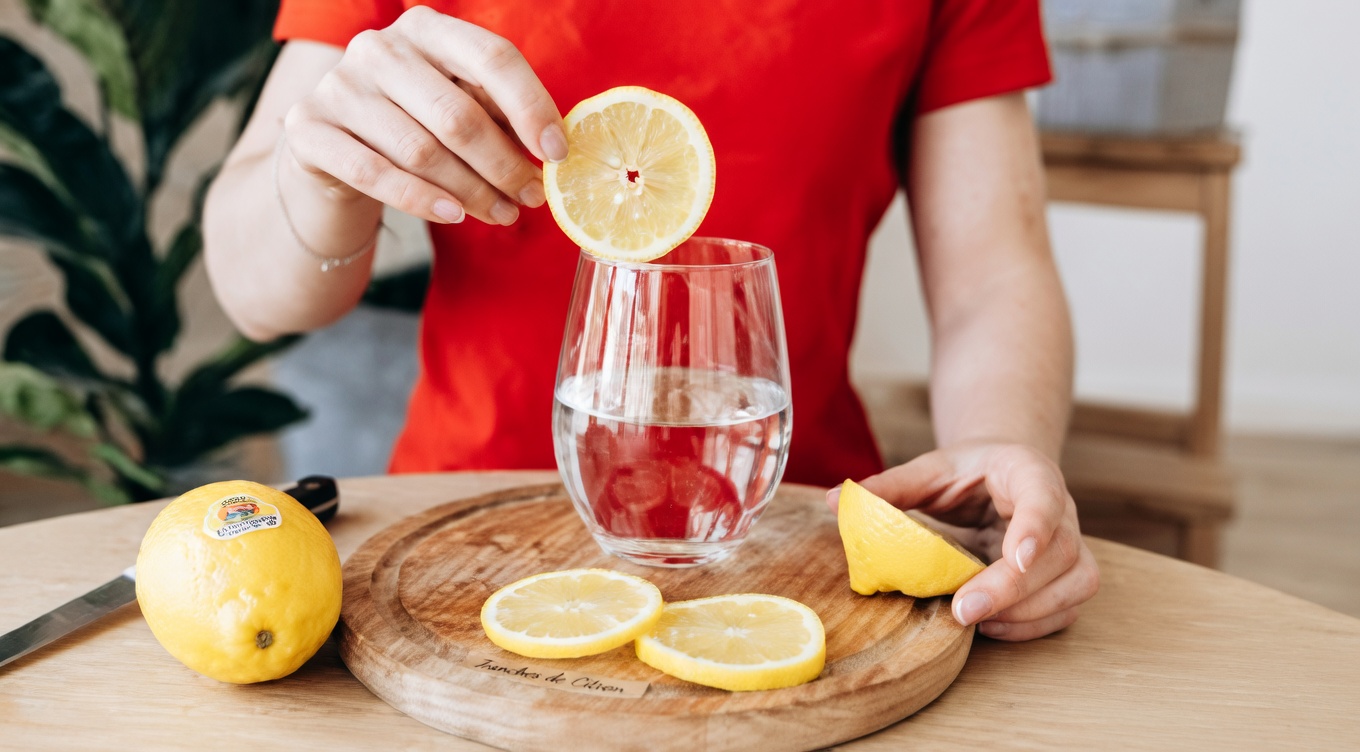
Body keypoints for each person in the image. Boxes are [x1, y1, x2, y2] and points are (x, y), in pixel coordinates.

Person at [204, 0, 1099, 641]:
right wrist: (313, 176)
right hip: (461, 544)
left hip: (808, 554)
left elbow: (993, 269)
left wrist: (1000, 452)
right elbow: (258, 292)